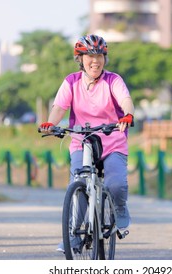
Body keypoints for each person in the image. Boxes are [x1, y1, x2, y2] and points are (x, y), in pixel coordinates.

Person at [39, 34, 134, 252]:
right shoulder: (71, 82)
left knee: (116, 184)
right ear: (80, 59)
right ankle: (73, 235)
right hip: (82, 142)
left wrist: (127, 115)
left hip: (112, 142)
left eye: (99, 55)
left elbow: (126, 100)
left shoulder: (113, 80)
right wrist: (50, 124)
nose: (95, 60)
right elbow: (59, 108)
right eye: (89, 55)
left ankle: (119, 207)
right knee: (78, 183)